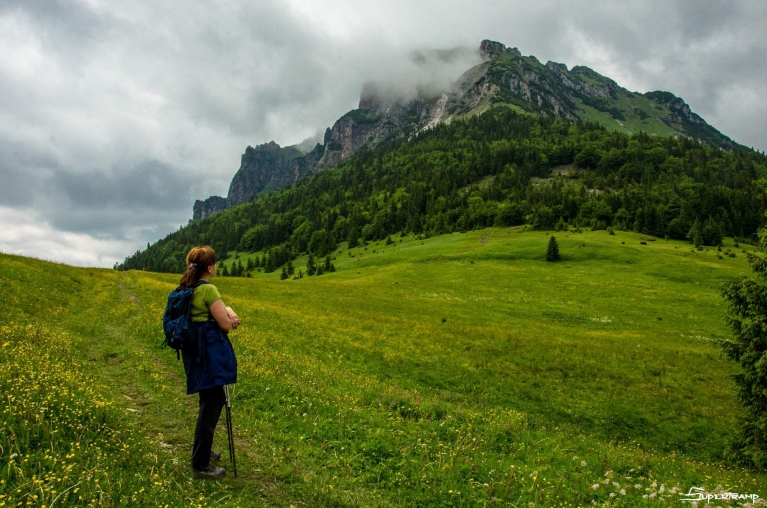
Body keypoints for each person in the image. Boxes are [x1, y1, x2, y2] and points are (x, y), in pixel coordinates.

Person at [178, 246, 240, 479]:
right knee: (213, 402)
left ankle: (202, 450)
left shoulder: (187, 287)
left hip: (195, 354)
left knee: (210, 400)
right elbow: (224, 325)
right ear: (210, 267)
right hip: (210, 355)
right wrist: (231, 314)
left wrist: (227, 309)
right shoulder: (208, 289)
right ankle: (201, 464)